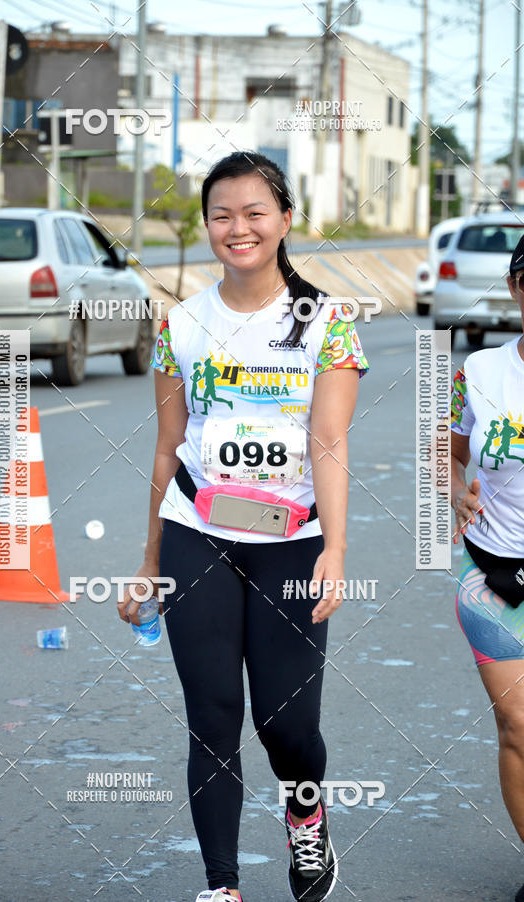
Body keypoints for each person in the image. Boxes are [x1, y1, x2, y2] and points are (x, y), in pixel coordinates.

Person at [118, 151, 369, 902]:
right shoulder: (182, 324)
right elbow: (167, 447)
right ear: (207, 225)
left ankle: (307, 815)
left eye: (255, 212)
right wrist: (149, 558)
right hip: (198, 530)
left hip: (289, 541)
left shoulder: (326, 323)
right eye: (222, 214)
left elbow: (328, 442)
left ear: (285, 220)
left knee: (286, 726)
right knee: (214, 715)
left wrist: (336, 548)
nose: (239, 228)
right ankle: (221, 885)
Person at [451, 234, 524, 902]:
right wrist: (453, 490)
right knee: (519, 726)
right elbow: (445, 446)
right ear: (515, 288)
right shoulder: (477, 372)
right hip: (497, 574)